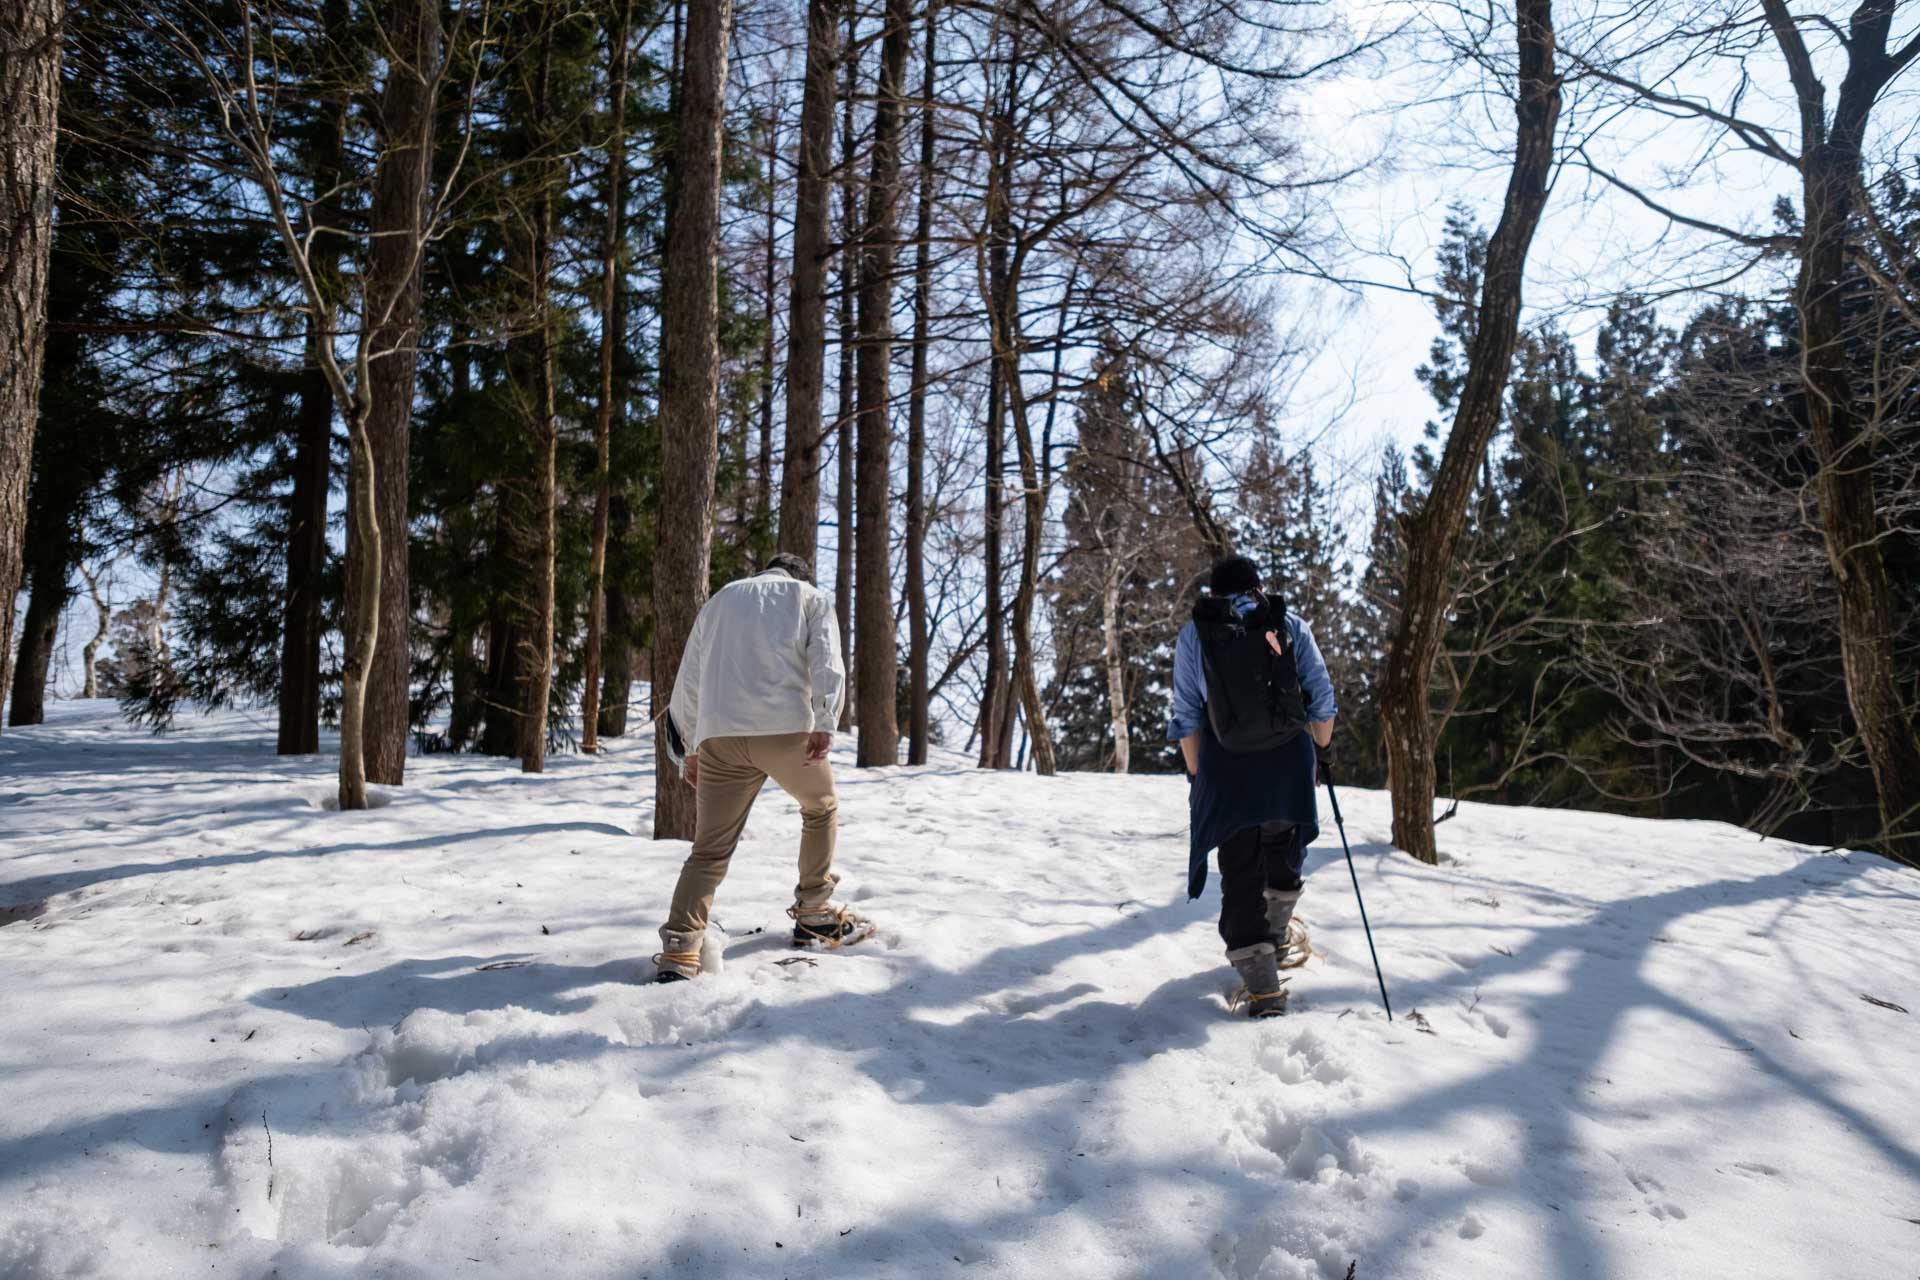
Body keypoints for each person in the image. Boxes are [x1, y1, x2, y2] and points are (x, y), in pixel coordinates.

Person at [653, 554, 870, 982]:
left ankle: (680, 951)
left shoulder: (719, 599)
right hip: (785, 731)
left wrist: (689, 750)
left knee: (709, 850)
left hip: (721, 737)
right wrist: (826, 720)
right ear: (800, 575)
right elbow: (827, 659)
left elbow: (690, 677)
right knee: (820, 807)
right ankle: (815, 912)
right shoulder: (809, 597)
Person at [1168, 554, 1338, 1017]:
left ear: (1213, 593)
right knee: (1284, 843)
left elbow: (1185, 715)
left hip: (1228, 766)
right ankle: (1277, 938)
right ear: (1256, 587)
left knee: (1240, 868)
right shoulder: (1289, 624)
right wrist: (1321, 753)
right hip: (1287, 760)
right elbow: (1321, 701)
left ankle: (1263, 991)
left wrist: (1198, 775)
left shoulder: (1195, 635)